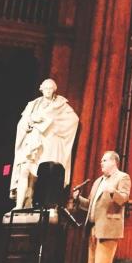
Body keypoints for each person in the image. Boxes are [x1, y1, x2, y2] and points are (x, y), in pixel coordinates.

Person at [11, 78, 79, 209]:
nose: (47, 91)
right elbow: (22, 123)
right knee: (25, 171)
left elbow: (73, 120)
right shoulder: (33, 104)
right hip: (33, 143)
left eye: (50, 89)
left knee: (42, 176)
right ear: (41, 89)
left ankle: (40, 205)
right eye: (45, 88)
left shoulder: (60, 105)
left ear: (54, 90)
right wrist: (30, 123)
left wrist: (52, 124)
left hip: (48, 145)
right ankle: (19, 205)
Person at [74, 151, 131, 263]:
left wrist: (113, 192)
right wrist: (78, 199)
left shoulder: (123, 177)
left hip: (108, 230)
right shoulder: (98, 181)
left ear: (114, 162)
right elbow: (90, 204)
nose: (101, 163)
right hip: (93, 228)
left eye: (104, 160)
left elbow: (124, 199)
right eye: (101, 160)